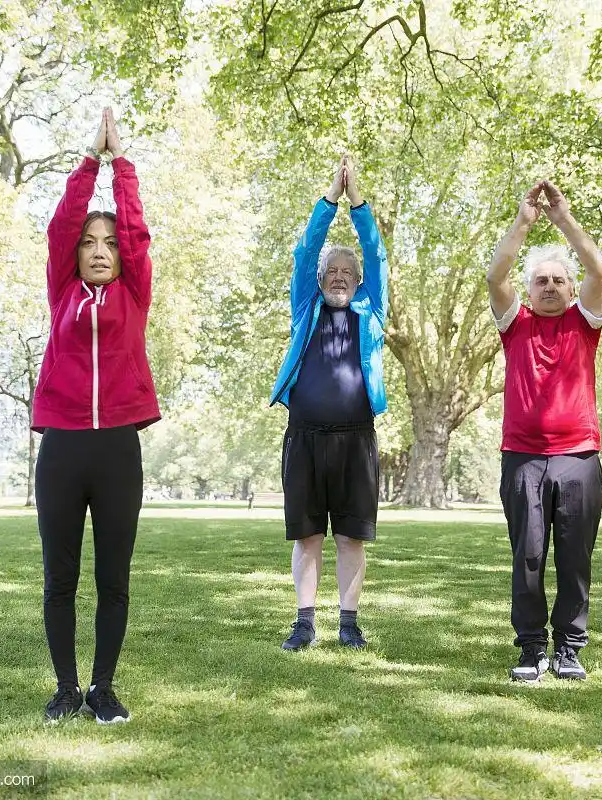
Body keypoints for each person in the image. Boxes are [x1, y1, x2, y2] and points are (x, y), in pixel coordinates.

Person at [33, 108, 160, 724]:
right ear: (75, 254)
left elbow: (137, 233)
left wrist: (123, 163)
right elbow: (61, 224)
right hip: (61, 447)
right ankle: (64, 688)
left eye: (109, 243)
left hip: (117, 449)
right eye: (91, 242)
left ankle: (103, 689)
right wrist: (91, 162)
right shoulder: (62, 290)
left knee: (113, 578)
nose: (101, 250)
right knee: (60, 577)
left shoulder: (134, 293)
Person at [485, 180, 602, 682]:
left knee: (575, 558)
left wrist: (563, 220)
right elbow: (495, 276)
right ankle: (532, 647)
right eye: (543, 281)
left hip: (579, 456)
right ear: (530, 290)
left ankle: (570, 649)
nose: (552, 287)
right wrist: (523, 223)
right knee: (529, 554)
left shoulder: (585, 323)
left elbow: (598, 268)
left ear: (571, 289)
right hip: (523, 457)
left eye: (561, 280)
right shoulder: (515, 325)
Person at [270, 155, 389, 651]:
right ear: (320, 281)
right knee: (308, 536)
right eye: (331, 271)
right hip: (305, 438)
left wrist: (357, 203)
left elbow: (377, 255)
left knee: (350, 537)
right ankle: (303, 622)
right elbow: (305, 251)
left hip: (355, 439)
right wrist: (330, 199)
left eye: (348, 271)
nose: (339, 276)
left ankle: (348, 622)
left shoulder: (371, 308)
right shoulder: (306, 307)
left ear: (359, 282)